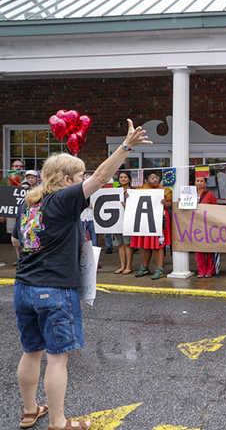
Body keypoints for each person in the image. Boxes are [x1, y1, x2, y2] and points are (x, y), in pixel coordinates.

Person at [12, 119, 148, 430]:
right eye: (80, 175)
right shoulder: (65, 198)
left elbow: (18, 242)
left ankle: (30, 411)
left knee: (31, 352)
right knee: (58, 359)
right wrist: (126, 147)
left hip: (23, 287)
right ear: (66, 179)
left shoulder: (30, 203)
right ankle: (59, 422)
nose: (85, 178)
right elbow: (102, 176)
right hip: (55, 289)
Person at [131, 170, 172, 280]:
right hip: (145, 220)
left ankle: (160, 268)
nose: (155, 180)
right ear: (147, 180)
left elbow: (172, 204)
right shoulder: (140, 189)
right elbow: (133, 201)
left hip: (159, 219)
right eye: (152, 178)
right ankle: (145, 267)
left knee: (158, 245)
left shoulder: (165, 189)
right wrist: (128, 196)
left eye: (157, 178)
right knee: (146, 244)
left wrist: (166, 203)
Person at [1, 159, 26, 266]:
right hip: (11, 212)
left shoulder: (27, 180)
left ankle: (25, 257)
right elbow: (2, 196)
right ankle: (18, 257)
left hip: (25, 211)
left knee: (25, 234)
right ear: (11, 168)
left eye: (20, 166)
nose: (18, 168)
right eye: (16, 166)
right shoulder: (5, 181)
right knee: (14, 234)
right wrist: (2, 213)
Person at [194, 176, 218, 278]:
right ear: (195, 182)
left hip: (208, 225)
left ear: (205, 183)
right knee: (198, 249)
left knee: (208, 248)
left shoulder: (210, 194)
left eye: (201, 181)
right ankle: (201, 271)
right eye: (197, 181)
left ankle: (210, 270)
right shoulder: (190, 194)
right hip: (195, 225)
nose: (199, 183)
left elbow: (215, 208)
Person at [113, 171, 134, 275]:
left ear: (129, 179)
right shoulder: (115, 191)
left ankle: (129, 266)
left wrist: (128, 203)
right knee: (120, 244)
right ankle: (122, 266)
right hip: (117, 220)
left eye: (125, 177)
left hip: (128, 220)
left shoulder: (133, 191)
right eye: (121, 177)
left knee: (127, 243)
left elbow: (137, 206)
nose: (123, 179)